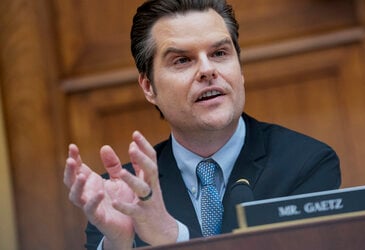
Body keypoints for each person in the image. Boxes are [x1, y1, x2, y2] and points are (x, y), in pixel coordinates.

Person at [63, 0, 341, 249]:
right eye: (182, 60)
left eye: (220, 53)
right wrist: (119, 245)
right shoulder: (121, 195)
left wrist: (172, 238)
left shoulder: (307, 164)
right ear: (149, 87)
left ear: (240, 70)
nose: (208, 70)